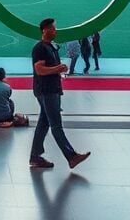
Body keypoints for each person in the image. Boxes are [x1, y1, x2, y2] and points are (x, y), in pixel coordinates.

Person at [29, 17, 90, 169]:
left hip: (50, 89)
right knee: (56, 125)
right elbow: (39, 69)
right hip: (46, 90)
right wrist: (57, 69)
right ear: (45, 30)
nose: (56, 31)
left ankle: (35, 156)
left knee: (44, 123)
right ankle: (71, 156)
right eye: (53, 28)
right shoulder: (40, 48)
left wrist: (59, 69)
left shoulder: (50, 47)